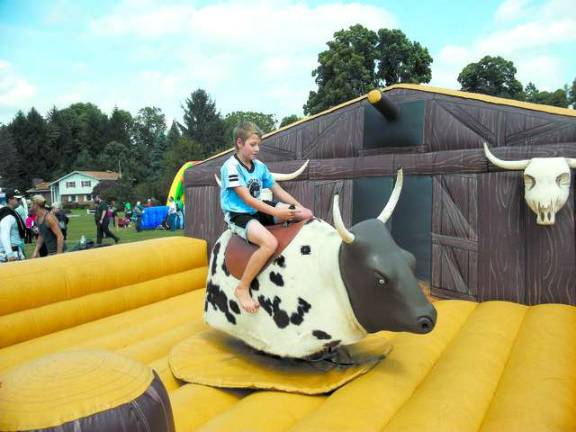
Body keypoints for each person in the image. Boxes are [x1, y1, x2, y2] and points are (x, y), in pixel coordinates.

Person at [219, 121, 313, 313]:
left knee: (305, 214)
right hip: (240, 214)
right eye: (252, 145)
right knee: (269, 243)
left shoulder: (260, 166)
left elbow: (277, 190)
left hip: (258, 209)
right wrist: (278, 213)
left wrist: (300, 209)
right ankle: (242, 287)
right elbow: (247, 199)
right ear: (239, 143)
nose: (257, 149)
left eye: (258, 145)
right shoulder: (230, 167)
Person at [0, 190, 26, 262]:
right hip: (12, 251)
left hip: (16, 249)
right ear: (10, 199)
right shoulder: (7, 214)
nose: (20, 201)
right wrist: (9, 254)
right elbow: (4, 234)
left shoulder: (13, 212)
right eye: (17, 199)